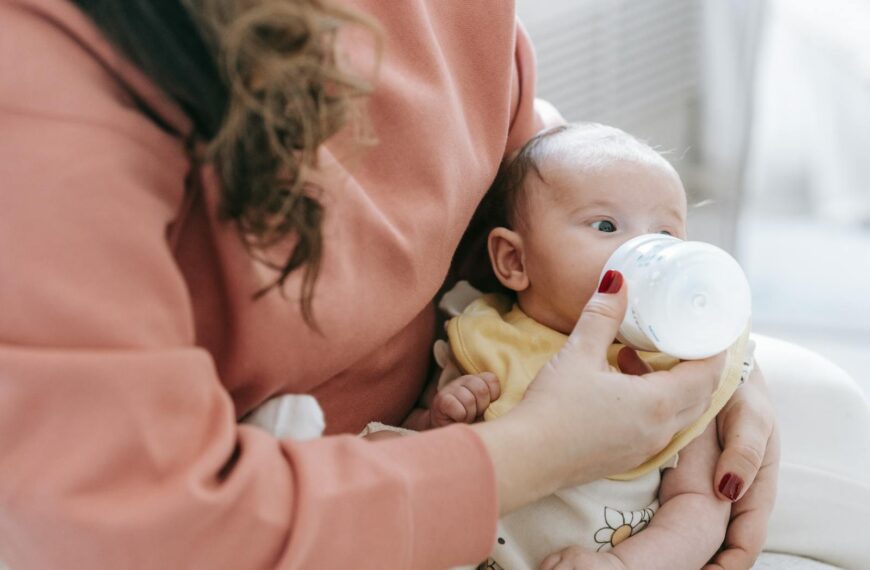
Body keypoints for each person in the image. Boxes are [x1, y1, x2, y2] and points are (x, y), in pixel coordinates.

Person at [0, 1, 778, 568]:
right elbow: (130, 520)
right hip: (295, 507)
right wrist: (536, 452)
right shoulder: (44, 75)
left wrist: (694, 339)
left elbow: (506, 159)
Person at [378, 123, 752, 569]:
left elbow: (699, 504)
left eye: (665, 236)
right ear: (515, 260)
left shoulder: (676, 371)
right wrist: (438, 421)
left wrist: (624, 565)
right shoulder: (484, 334)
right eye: (607, 225)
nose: (644, 251)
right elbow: (416, 448)